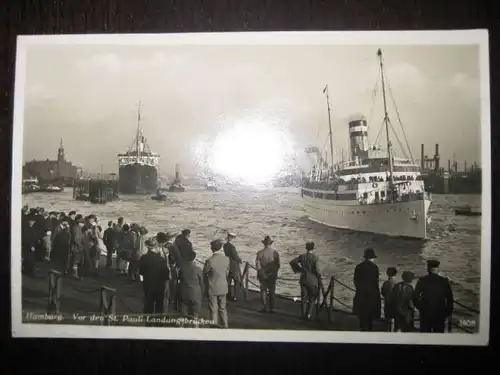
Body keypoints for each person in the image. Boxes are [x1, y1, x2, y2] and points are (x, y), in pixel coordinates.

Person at [413, 260, 454, 333]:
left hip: (426, 314)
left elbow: (415, 297)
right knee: (438, 338)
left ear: (428, 269)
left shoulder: (422, 280)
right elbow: (450, 299)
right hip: (440, 315)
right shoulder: (444, 281)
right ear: (438, 269)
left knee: (424, 338)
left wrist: (421, 308)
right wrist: (446, 313)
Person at [139, 238, 170, 325]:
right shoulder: (161, 260)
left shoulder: (143, 258)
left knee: (149, 305)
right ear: (155, 247)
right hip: (160, 286)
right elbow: (166, 275)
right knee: (159, 305)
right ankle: (158, 324)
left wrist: (143, 282)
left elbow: (141, 273)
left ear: (147, 247)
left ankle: (148, 324)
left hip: (148, 285)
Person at [289, 241, 321, 320]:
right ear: (313, 248)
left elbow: (292, 262)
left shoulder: (302, 256)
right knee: (312, 298)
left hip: (303, 279)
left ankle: (303, 314)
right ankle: (309, 314)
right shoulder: (315, 258)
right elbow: (317, 270)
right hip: (313, 280)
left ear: (306, 248)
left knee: (304, 298)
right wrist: (319, 275)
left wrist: (299, 270)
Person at [352, 248, 381, 331]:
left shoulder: (358, 266)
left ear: (365, 257)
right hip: (371, 296)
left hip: (360, 295)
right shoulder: (375, 268)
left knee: (362, 317)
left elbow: (355, 281)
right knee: (370, 319)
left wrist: (360, 290)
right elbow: (375, 283)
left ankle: (362, 330)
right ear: (372, 258)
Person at [203, 239, 230, 328]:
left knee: (213, 309)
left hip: (212, 287)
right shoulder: (226, 259)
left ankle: (214, 327)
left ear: (212, 248)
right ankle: (225, 325)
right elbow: (227, 272)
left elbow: (205, 272)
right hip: (223, 286)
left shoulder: (209, 261)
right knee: (223, 308)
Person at [255, 235, 280, 313]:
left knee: (263, 291)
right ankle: (272, 308)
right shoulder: (275, 253)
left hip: (263, 275)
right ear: (271, 243)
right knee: (272, 292)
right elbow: (278, 265)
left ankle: (265, 307)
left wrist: (262, 274)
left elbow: (258, 265)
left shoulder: (260, 253)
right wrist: (273, 273)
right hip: (272, 275)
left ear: (264, 244)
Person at [157, 231, 181, 312]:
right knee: (173, 283)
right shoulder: (172, 246)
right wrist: (177, 265)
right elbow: (178, 258)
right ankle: (171, 299)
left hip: (162, 269)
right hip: (171, 267)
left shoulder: (162, 246)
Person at [178, 250, 204, 325]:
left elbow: (179, 279)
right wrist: (203, 295)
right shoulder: (198, 269)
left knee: (183, 315)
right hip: (195, 294)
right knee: (195, 316)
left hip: (184, 293)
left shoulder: (182, 269)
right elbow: (202, 283)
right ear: (194, 258)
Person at [223, 232, 242, 301]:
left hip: (227, 263)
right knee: (237, 280)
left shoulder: (225, 245)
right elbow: (235, 256)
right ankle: (235, 296)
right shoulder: (232, 247)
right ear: (232, 238)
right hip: (234, 265)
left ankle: (228, 295)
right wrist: (240, 260)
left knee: (228, 280)